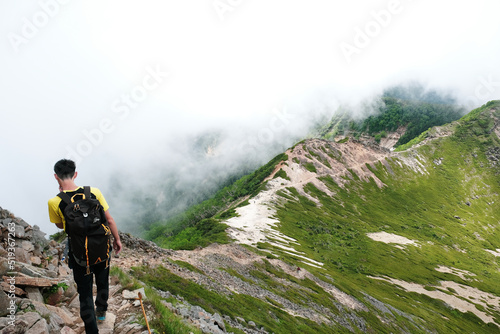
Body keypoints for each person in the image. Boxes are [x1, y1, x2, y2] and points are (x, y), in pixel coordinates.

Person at [48, 159, 122, 334]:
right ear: (75, 174)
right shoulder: (93, 192)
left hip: (79, 252)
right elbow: (109, 219)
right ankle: (102, 311)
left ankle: (92, 330)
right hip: (102, 248)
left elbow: (60, 225)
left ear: (55, 177)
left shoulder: (54, 202)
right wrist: (117, 240)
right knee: (103, 281)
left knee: (85, 293)